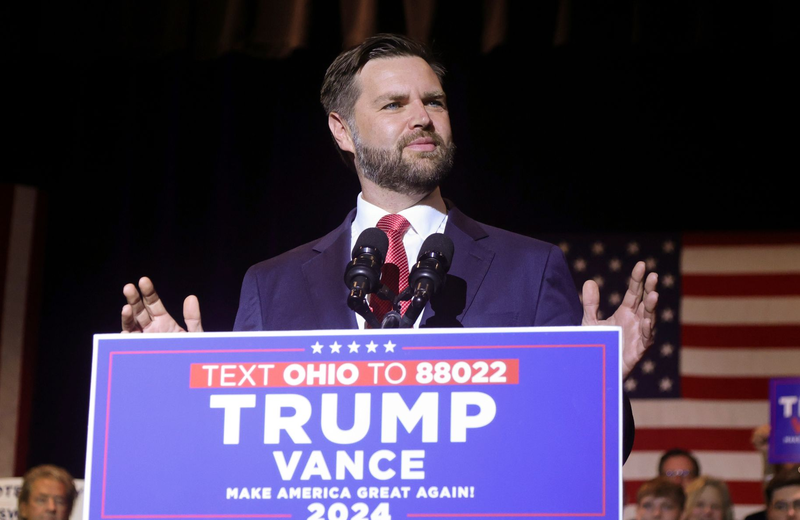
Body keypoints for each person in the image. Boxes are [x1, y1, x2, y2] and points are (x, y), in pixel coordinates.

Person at [120, 34, 658, 460]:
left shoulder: (531, 268)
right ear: (343, 131)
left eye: (434, 102)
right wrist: (183, 389)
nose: (423, 117)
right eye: (395, 104)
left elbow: (588, 454)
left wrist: (600, 384)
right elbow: (242, 452)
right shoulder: (272, 283)